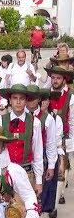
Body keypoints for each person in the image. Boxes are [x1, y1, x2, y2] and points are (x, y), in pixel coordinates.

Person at [0, 84, 44, 218]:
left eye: (21, 99)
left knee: (28, 203)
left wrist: (38, 180)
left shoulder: (35, 123)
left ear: (26, 101)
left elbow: (37, 152)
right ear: (10, 100)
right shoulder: (0, 120)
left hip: (26, 169)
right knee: (7, 205)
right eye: (15, 98)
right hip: (6, 170)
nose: (18, 102)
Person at [27, 86, 59, 218]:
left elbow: (51, 144)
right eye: (27, 98)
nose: (30, 101)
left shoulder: (48, 119)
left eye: (33, 98)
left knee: (38, 191)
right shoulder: (19, 116)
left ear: (39, 99)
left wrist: (51, 165)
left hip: (42, 157)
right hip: (24, 158)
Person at [46, 66, 74, 205]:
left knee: (63, 168)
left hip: (64, 135)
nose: (55, 80)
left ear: (64, 79)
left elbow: (72, 120)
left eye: (58, 78)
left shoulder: (70, 96)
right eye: (53, 78)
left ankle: (58, 199)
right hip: (47, 135)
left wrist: (71, 139)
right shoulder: (46, 93)